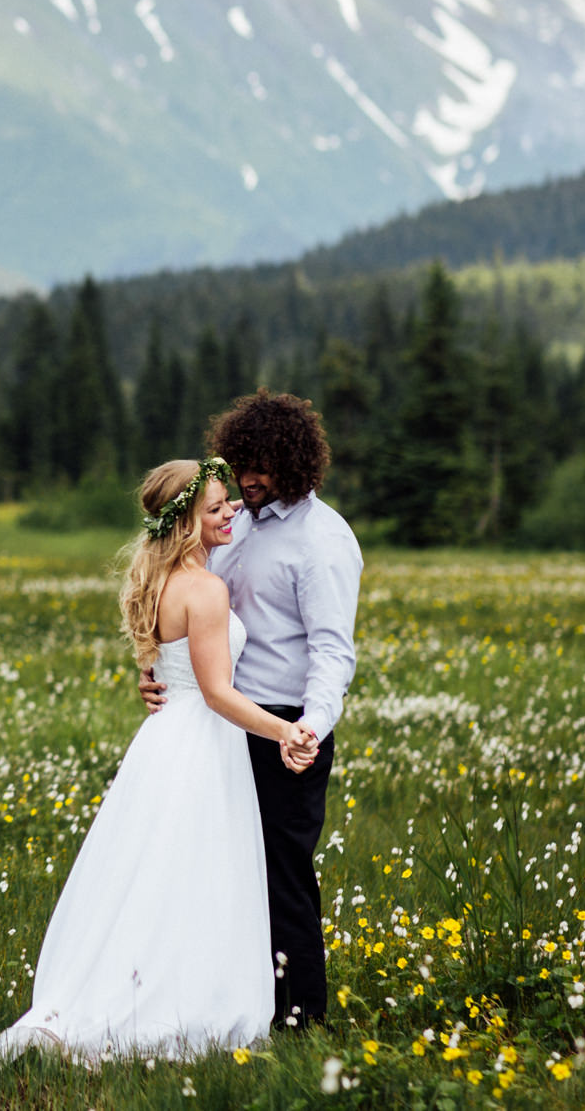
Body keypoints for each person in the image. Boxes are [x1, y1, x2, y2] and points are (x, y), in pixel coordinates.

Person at [0, 456, 319, 1068]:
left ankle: (140, 979)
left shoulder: (159, 582)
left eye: (228, 503)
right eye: (215, 508)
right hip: (204, 743)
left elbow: (168, 663)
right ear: (185, 522)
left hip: (164, 743)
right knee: (198, 875)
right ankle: (181, 1000)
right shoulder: (207, 589)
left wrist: (152, 675)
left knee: (160, 873)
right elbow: (217, 692)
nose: (231, 511)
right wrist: (284, 732)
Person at [139, 389, 361, 1033]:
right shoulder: (233, 526)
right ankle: (228, 1002)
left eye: (261, 467)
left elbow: (332, 652)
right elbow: (183, 607)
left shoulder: (324, 541)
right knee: (222, 866)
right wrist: (162, 678)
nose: (247, 481)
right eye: (241, 465)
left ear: (294, 464)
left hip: (286, 724)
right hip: (218, 722)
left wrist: (309, 730)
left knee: (283, 871)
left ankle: (300, 1015)